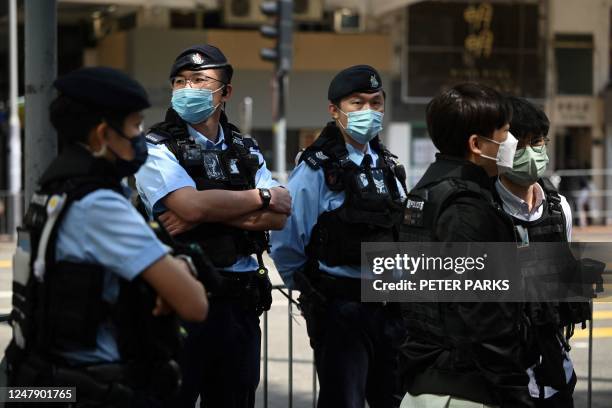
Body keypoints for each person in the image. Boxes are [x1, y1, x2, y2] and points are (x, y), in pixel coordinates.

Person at [5, 67, 208, 407]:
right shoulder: (99, 204)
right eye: (134, 125)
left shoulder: (56, 190)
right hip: (91, 388)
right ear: (102, 135)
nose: (140, 135)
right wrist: (175, 276)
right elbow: (195, 304)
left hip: (43, 380)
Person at [135, 44, 291, 408]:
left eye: (200, 80)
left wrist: (205, 208)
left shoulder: (246, 149)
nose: (188, 88)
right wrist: (261, 198)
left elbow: (279, 216)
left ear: (225, 92)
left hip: (240, 303)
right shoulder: (156, 147)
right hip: (180, 299)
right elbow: (188, 204)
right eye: (180, 81)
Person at [270, 65, 408, 408]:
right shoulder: (317, 168)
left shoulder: (389, 166)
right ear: (334, 110)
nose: (368, 112)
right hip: (341, 308)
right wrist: (312, 291)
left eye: (376, 103)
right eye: (357, 103)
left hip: (391, 309)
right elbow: (287, 240)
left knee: (393, 399)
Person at [396, 83, 539, 407]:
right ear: (476, 144)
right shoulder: (466, 209)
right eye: (504, 132)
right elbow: (484, 316)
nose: (511, 141)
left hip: (426, 382)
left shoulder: (424, 195)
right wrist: (515, 393)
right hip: (465, 390)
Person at [495, 96, 584, 407]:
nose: (531, 152)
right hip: (503, 385)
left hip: (556, 378)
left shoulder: (560, 209)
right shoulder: (482, 210)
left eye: (538, 142)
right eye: (520, 145)